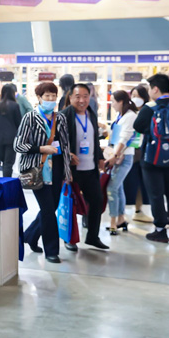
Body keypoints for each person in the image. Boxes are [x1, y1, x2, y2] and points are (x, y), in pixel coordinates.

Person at [16, 82, 72, 262]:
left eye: (53, 96)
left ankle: (30, 236)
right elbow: (18, 145)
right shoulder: (30, 118)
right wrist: (42, 149)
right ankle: (52, 251)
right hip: (37, 171)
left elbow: (65, 145)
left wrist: (67, 172)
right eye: (46, 96)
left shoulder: (60, 118)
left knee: (50, 209)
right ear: (39, 98)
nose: (50, 99)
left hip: (56, 171)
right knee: (48, 211)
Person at [134, 74, 169, 245]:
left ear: (155, 89)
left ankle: (160, 231)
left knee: (156, 195)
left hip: (152, 158)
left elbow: (138, 127)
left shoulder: (149, 108)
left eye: (150, 88)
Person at [61, 84, 110, 251]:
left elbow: (94, 140)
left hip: (90, 169)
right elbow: (58, 141)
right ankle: (70, 239)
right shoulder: (65, 116)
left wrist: (101, 157)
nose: (81, 100)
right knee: (71, 205)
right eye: (77, 96)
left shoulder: (91, 114)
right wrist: (67, 155)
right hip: (72, 171)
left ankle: (92, 237)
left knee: (97, 201)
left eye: (85, 96)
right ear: (70, 98)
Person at [104, 90, 138, 235]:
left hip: (124, 157)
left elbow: (125, 138)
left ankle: (113, 222)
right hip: (117, 156)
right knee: (118, 188)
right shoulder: (121, 116)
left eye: (113, 102)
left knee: (111, 188)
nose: (111, 105)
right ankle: (121, 219)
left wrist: (116, 154)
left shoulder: (130, 116)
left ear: (121, 101)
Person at [126, 85, 152, 223]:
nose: (135, 99)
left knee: (142, 183)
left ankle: (139, 210)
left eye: (138, 96)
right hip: (131, 151)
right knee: (130, 182)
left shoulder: (148, 112)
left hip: (144, 151)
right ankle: (124, 212)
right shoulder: (129, 113)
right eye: (133, 95)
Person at [0, 83, 21, 178]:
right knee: (9, 163)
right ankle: (7, 182)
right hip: (11, 138)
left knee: (4, 162)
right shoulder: (15, 105)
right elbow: (19, 123)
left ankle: (5, 180)